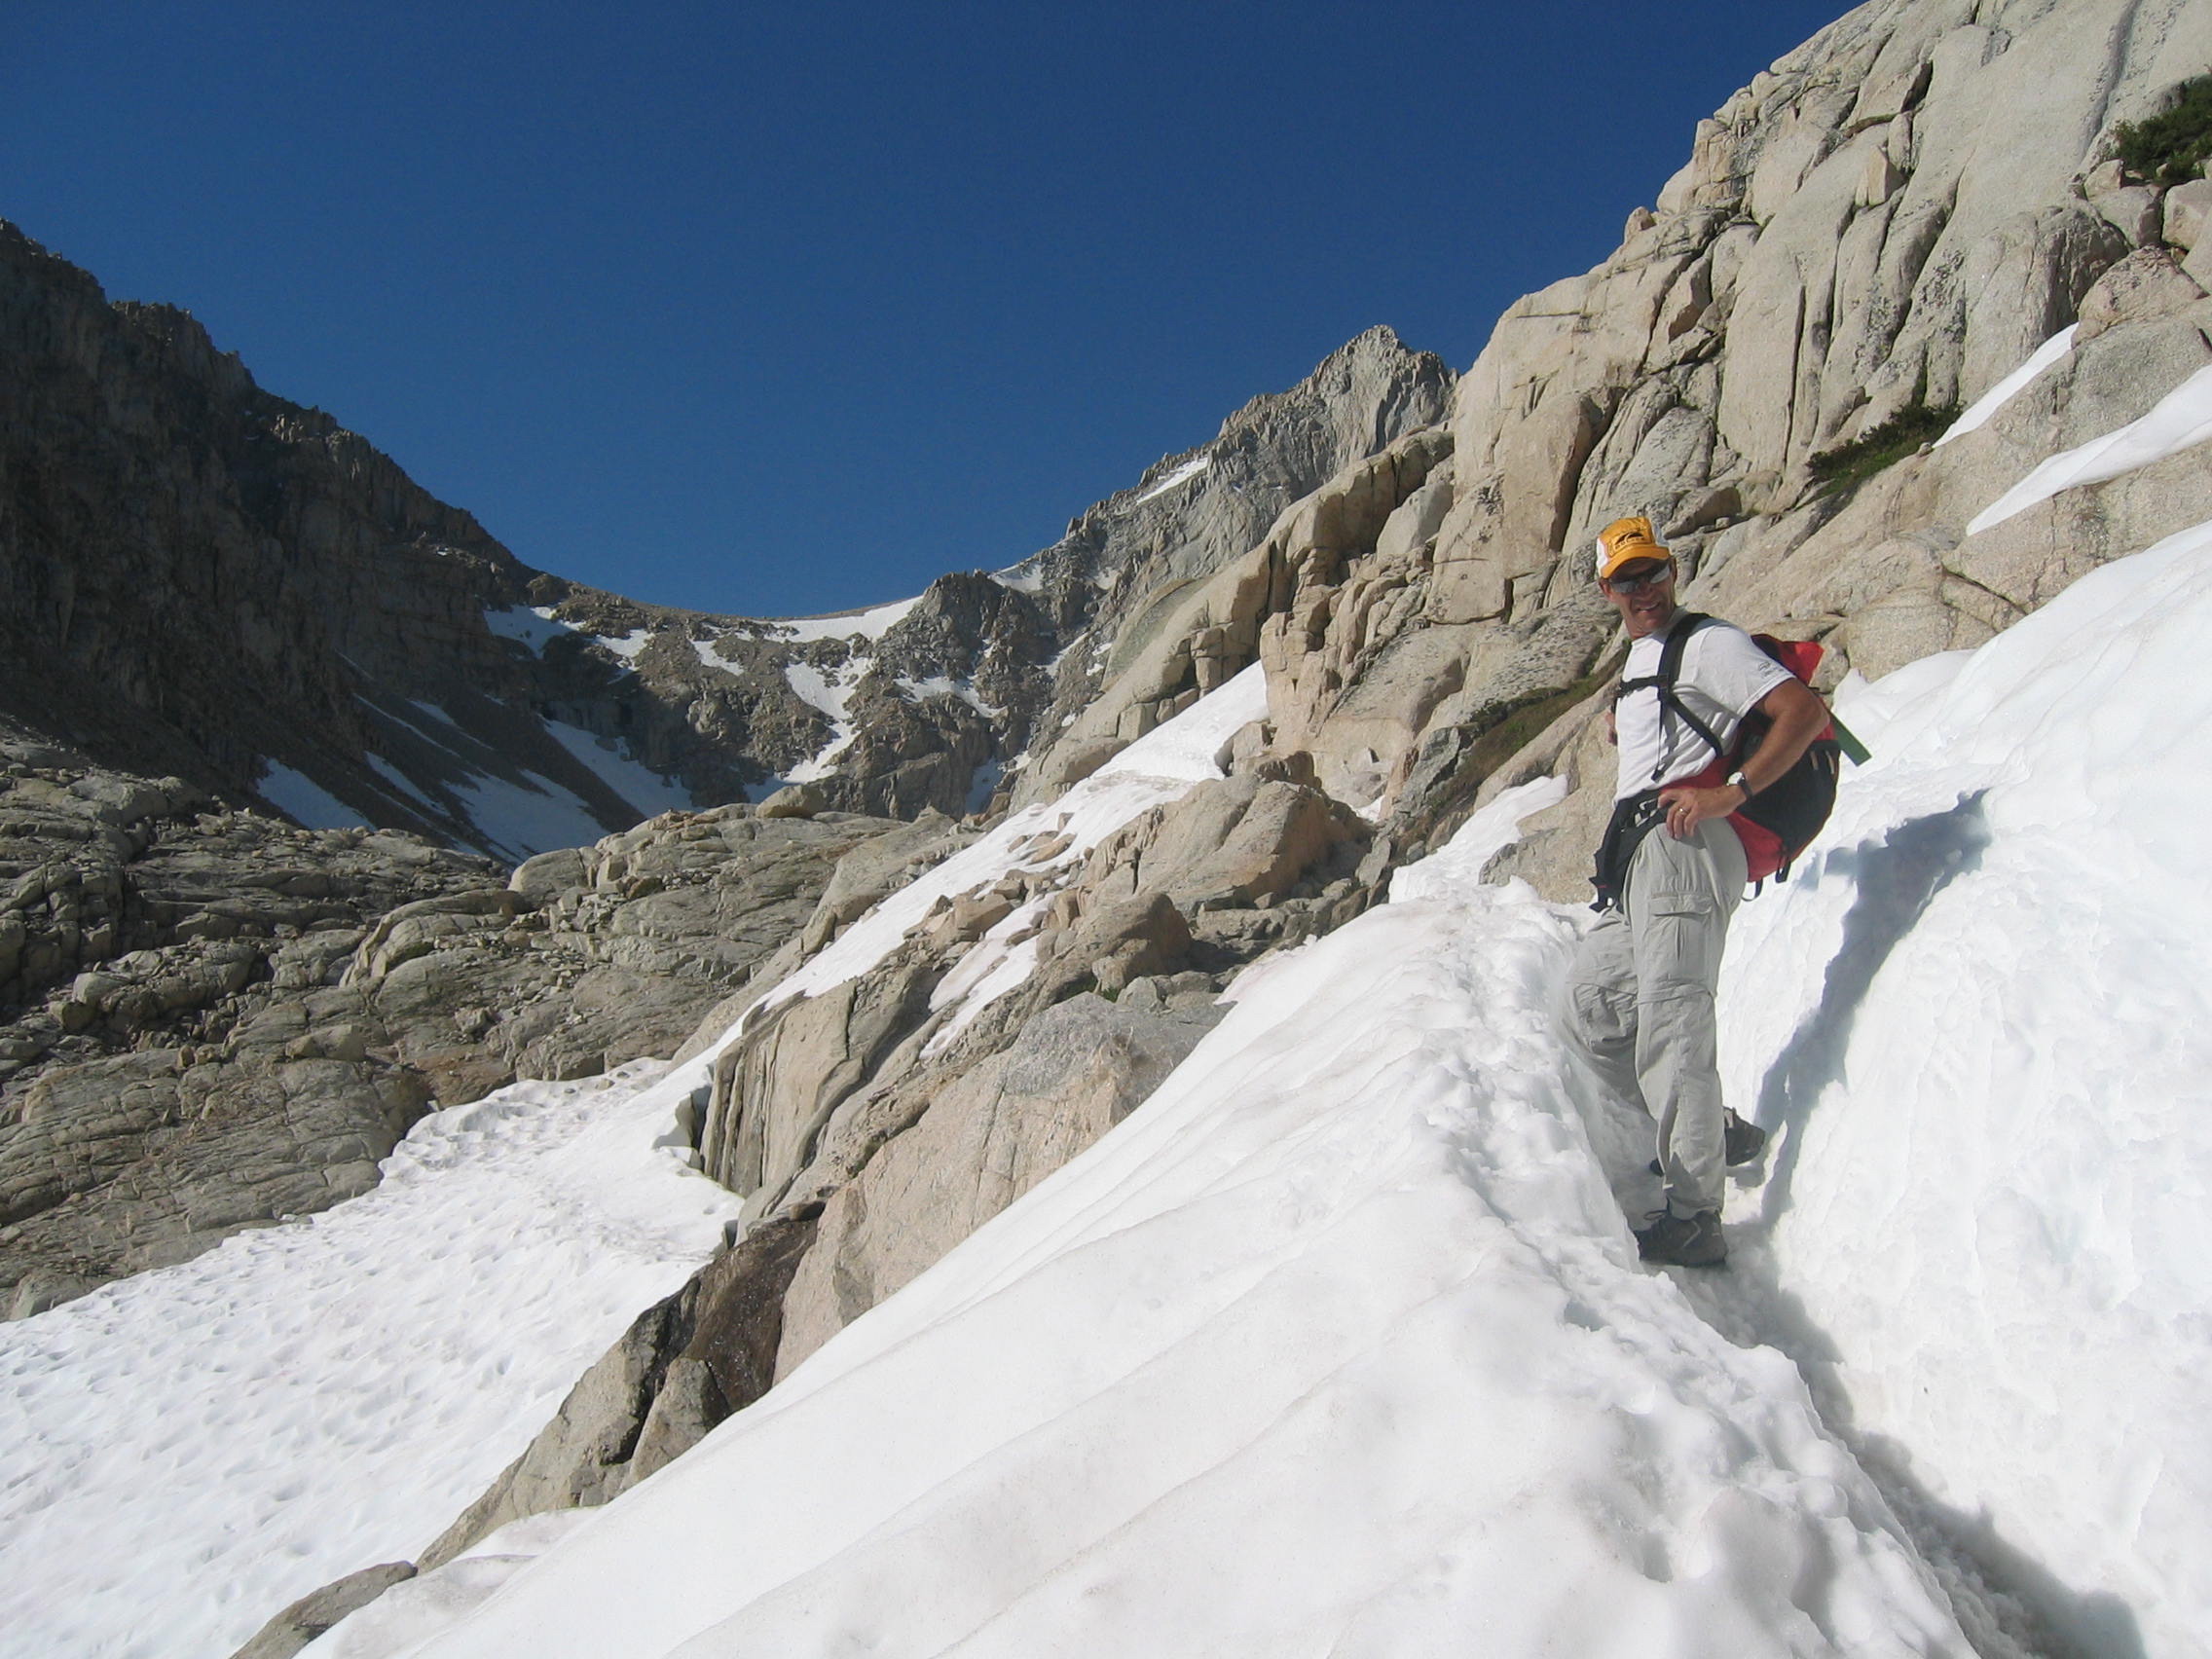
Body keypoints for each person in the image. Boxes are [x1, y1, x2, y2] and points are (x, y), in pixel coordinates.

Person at [1554, 516, 1832, 1268]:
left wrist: (1731, 793)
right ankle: (1717, 1130)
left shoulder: (1708, 644)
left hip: (1684, 848)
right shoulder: (1645, 659)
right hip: (1640, 859)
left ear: (1672, 573)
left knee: (1673, 1022)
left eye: (1654, 572)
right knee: (1591, 1006)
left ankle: (1696, 1215)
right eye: (1626, 579)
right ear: (1606, 589)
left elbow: (1804, 714)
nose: (1644, 589)